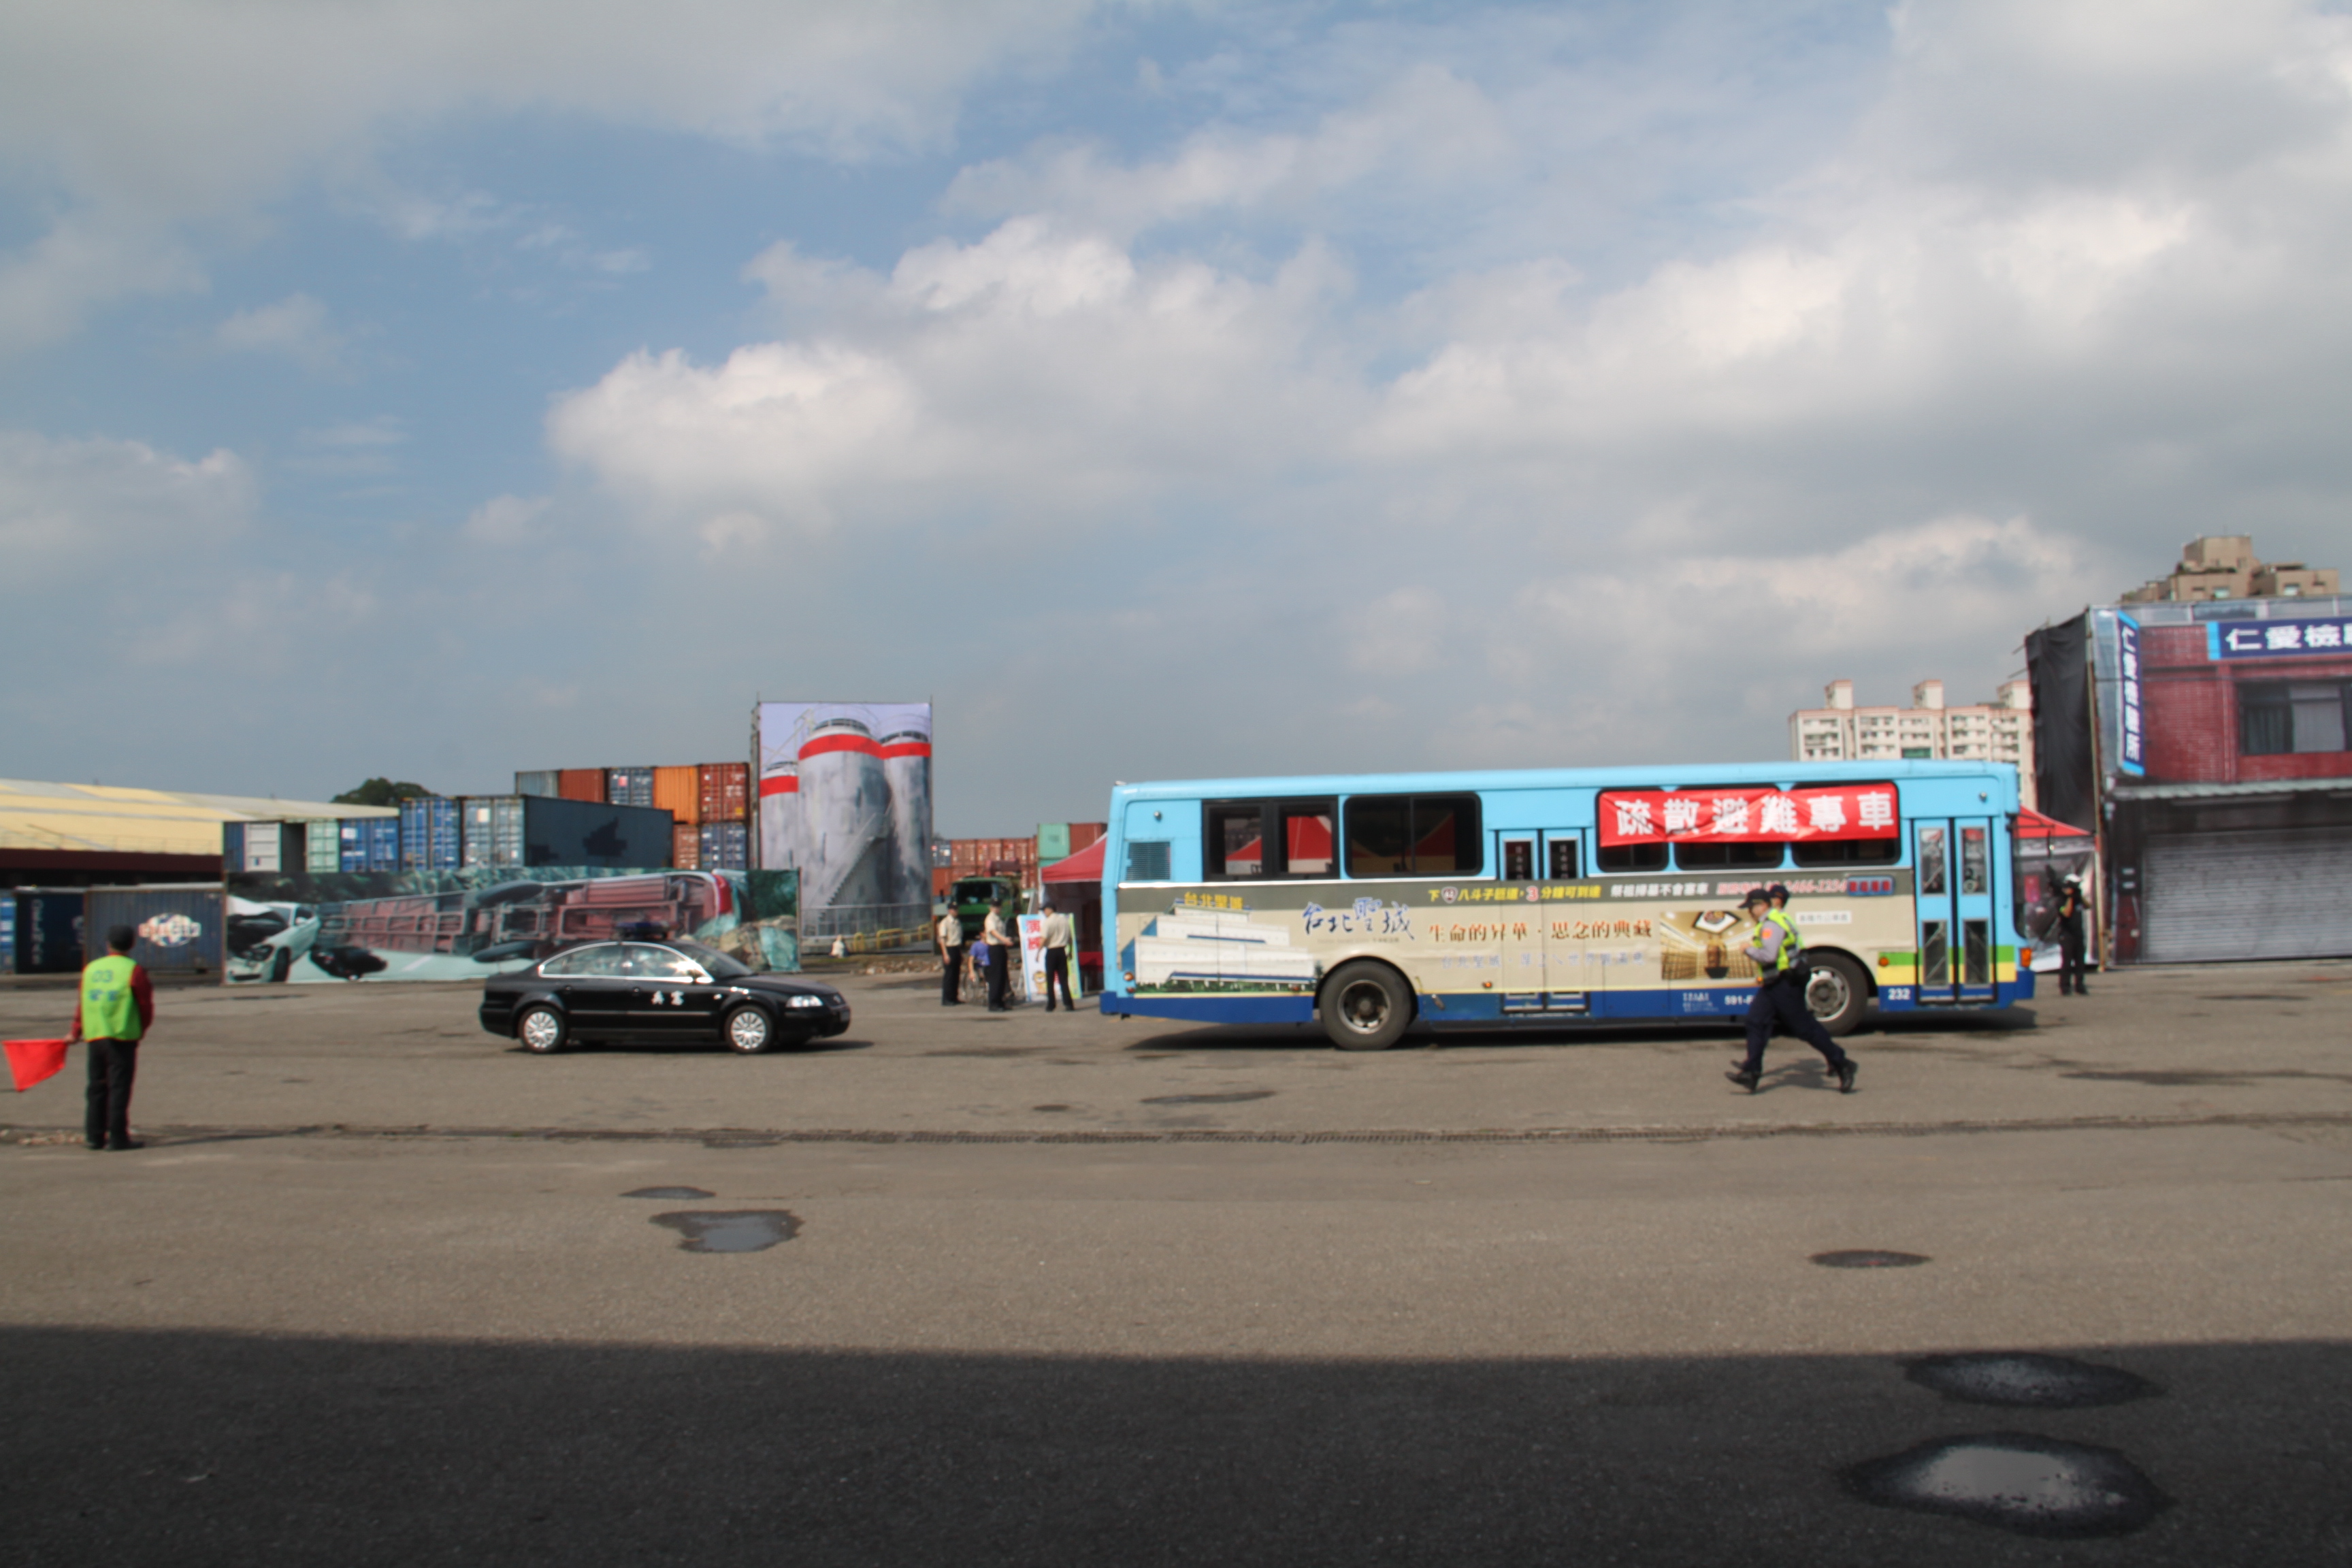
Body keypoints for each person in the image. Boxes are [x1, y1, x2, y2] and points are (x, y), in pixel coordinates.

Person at [1726, 889, 1855, 1095]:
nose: (1750, 911)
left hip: (1785, 984)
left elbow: (1769, 956)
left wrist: (1747, 949)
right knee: (1755, 1021)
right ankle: (1751, 1073)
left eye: (1751, 907)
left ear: (1762, 906)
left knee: (1804, 1028)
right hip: (1773, 984)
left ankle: (1842, 1062)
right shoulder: (1772, 920)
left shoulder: (1771, 925)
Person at [69, 925, 154, 1151]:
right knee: (119, 1087)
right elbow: (145, 1005)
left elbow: (82, 1003)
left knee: (97, 1086)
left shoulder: (91, 969)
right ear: (132, 944)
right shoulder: (133, 970)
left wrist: (75, 1031)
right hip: (122, 1035)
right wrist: (141, 1029)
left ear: (108, 944)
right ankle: (117, 1137)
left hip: (95, 1034)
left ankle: (94, 1136)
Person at [2054, 875, 2090, 996]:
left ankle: (2080, 986)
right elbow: (2067, 913)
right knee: (2067, 962)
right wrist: (2070, 897)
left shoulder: (2078, 899)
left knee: (2080, 962)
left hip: (2078, 934)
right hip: (2067, 935)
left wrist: (2079, 895)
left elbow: (2088, 906)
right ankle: (2065, 987)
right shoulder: (2061, 900)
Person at [1039, 906, 1076, 1013]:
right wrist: (1070, 951)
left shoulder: (1048, 922)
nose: (1044, 912)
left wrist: (1038, 951)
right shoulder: (1064, 920)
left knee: (1050, 979)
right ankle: (1068, 1004)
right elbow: (1070, 938)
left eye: (1045, 910)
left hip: (1051, 951)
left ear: (1050, 910)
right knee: (1063, 979)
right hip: (1062, 951)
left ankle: (1051, 1005)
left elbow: (1044, 938)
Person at [982, 898, 1016, 1011]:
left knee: (1002, 975)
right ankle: (993, 1003)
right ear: (991, 907)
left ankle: (1001, 1001)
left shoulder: (999, 918)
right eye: (995, 906)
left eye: (998, 906)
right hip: (994, 947)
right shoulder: (990, 918)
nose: (997, 909)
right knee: (996, 976)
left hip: (1001, 947)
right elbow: (993, 932)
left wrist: (1006, 940)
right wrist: (1004, 940)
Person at [936, 906, 965, 1007]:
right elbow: (942, 940)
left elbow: (958, 938)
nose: (955, 911)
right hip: (949, 949)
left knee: (956, 974)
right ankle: (947, 999)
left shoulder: (957, 922)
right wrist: (945, 954)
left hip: (956, 948)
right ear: (949, 910)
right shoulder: (945, 922)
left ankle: (954, 997)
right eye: (953, 909)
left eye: (956, 909)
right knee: (949, 975)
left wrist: (960, 953)